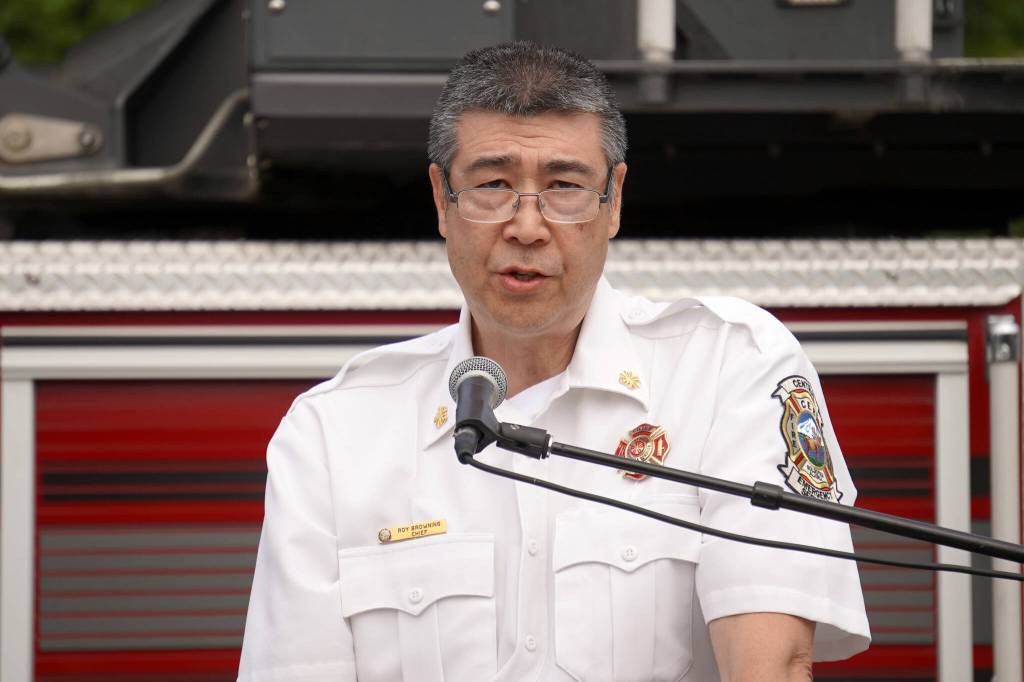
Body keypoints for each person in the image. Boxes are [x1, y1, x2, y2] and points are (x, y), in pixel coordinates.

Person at [238, 42, 870, 682]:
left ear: (614, 198)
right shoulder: (334, 432)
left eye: (565, 186)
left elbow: (772, 666)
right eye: (493, 184)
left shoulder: (729, 368)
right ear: (441, 198)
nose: (528, 226)